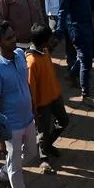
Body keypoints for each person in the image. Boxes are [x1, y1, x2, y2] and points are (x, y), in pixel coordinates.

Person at [0, 20, 39, 188]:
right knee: (16, 168)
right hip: (11, 126)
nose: (14, 40)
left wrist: (33, 106)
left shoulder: (19, 55)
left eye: (13, 35)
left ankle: (3, 173)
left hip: (28, 119)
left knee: (32, 153)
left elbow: (26, 84)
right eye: (8, 38)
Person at [26, 23, 68, 171]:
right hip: (42, 104)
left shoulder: (44, 51)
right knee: (42, 131)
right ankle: (44, 158)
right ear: (44, 41)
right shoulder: (31, 61)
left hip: (55, 97)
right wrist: (34, 109)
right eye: (50, 38)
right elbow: (31, 88)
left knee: (63, 121)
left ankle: (48, 144)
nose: (52, 40)